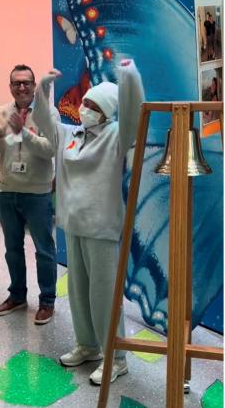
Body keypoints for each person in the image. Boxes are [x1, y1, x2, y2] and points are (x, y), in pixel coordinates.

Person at [32, 59, 144, 386]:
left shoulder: (117, 136)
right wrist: (43, 88)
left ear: (109, 110)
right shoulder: (70, 134)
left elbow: (134, 114)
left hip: (103, 227)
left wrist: (130, 77)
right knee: (79, 291)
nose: (85, 109)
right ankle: (88, 345)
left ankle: (116, 357)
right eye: (85, 103)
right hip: (73, 225)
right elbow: (42, 117)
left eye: (94, 105)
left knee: (103, 294)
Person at [0, 64, 60, 325]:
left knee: (44, 251)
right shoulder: (2, 112)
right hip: (7, 192)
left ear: (34, 84)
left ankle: (47, 302)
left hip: (37, 194)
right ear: (11, 87)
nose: (22, 87)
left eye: (27, 82)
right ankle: (17, 296)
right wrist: (1, 132)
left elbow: (51, 150)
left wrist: (22, 133)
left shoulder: (48, 113)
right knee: (12, 249)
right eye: (17, 83)